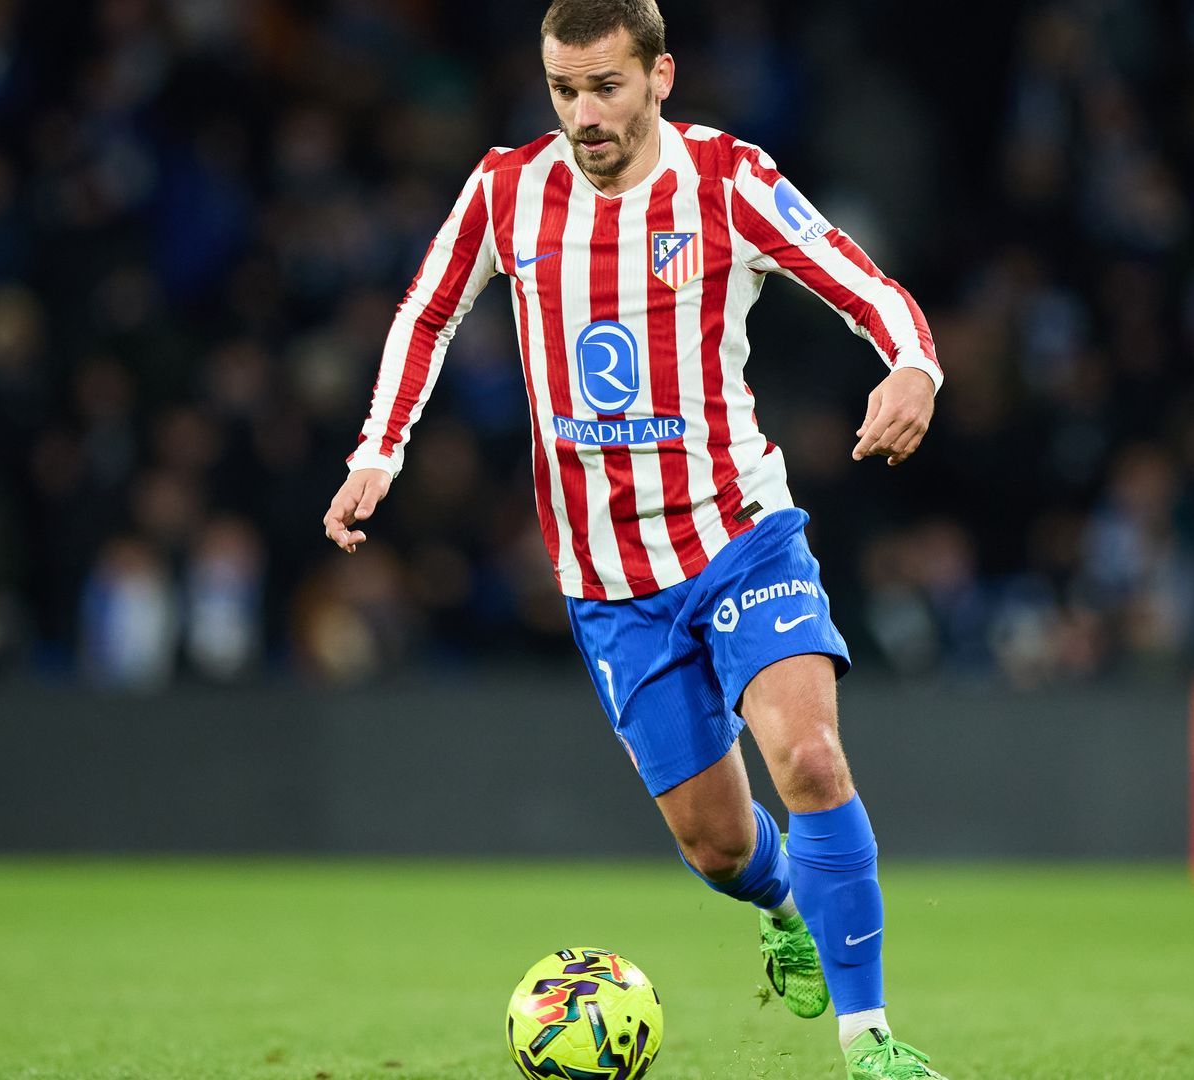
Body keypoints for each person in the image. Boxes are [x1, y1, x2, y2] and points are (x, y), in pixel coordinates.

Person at [322, 2, 948, 1076]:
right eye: (564, 90)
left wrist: (914, 367)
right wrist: (379, 449)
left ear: (660, 76)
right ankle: (784, 907)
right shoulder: (506, 190)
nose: (584, 114)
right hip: (609, 580)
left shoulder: (727, 181)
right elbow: (426, 312)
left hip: (739, 534)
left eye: (605, 86)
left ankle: (871, 1042)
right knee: (718, 844)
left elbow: (863, 283)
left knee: (807, 756)